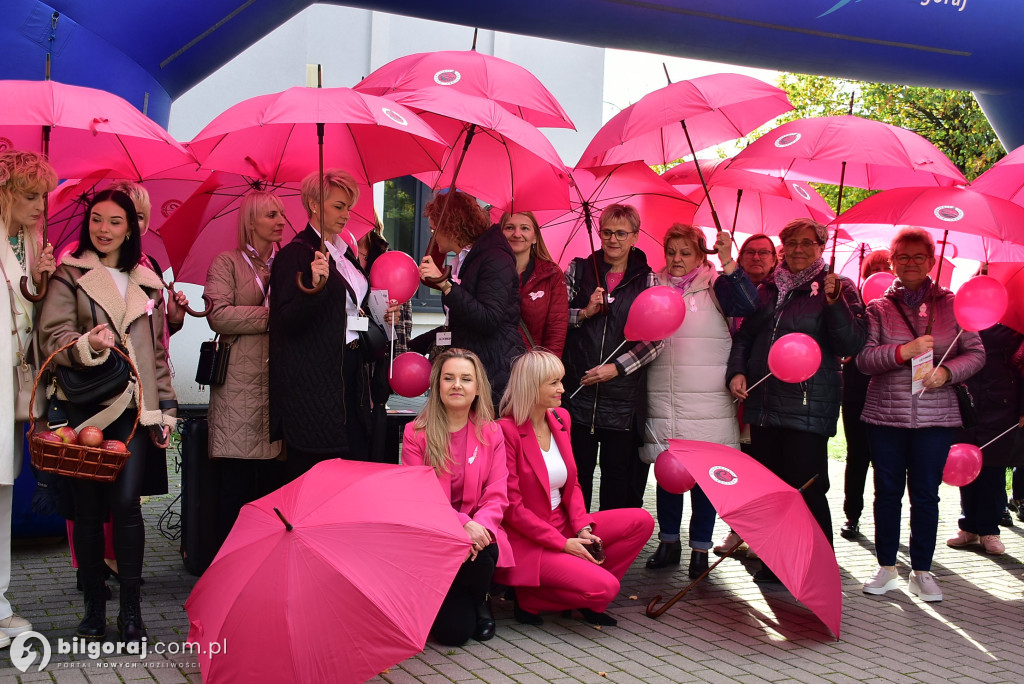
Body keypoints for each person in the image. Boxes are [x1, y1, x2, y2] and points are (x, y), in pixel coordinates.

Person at [38, 189, 178, 642]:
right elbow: (51, 335)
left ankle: (132, 612)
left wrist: (167, 410)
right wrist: (87, 344)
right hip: (85, 410)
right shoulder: (70, 274)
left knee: (126, 506)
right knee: (89, 510)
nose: (103, 229)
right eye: (97, 220)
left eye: (115, 222)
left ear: (131, 228)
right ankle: (94, 610)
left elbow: (155, 354)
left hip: (135, 412)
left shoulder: (146, 280)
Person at [727, 218, 866, 582]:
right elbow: (744, 338)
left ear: (821, 247)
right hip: (763, 403)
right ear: (783, 247)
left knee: (807, 489)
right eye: (792, 243)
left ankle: (818, 568)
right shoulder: (768, 289)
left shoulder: (839, 288)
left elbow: (851, 346)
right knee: (770, 491)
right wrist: (737, 372)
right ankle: (776, 562)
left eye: (808, 243)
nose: (800, 249)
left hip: (807, 407)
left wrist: (835, 304)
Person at [857, 228, 984, 602]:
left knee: (926, 495)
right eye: (903, 257)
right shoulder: (878, 308)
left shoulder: (953, 305)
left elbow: (975, 353)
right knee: (887, 494)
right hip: (885, 416)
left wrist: (946, 373)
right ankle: (886, 568)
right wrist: (903, 351)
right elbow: (864, 360)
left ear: (932, 261)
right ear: (892, 261)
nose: (911, 263)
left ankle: (923, 570)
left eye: (919, 257)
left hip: (936, 418)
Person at [496, 350, 653, 626]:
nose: (562, 389)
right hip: (530, 540)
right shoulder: (505, 431)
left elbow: (573, 484)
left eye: (561, 380)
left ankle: (578, 591)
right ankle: (533, 598)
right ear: (532, 387)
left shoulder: (560, 419)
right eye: (554, 383)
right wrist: (563, 544)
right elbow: (513, 509)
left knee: (641, 521)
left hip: (565, 524)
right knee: (606, 589)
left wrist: (582, 528)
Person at [642, 225, 757, 578]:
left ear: (700, 255)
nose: (677, 259)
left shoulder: (717, 284)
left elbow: (749, 304)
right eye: (671, 251)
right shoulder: (653, 284)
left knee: (706, 480)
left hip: (709, 401)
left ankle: (700, 548)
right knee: (668, 473)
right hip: (664, 396)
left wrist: (727, 261)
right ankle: (668, 541)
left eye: (686, 252)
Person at [269, 169, 397, 480]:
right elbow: (285, 321)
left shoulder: (344, 253)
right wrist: (313, 287)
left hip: (351, 374)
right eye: (339, 206)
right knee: (317, 472)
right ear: (314, 205)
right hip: (315, 382)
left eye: (348, 207)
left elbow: (353, 304)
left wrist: (380, 313)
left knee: (351, 466)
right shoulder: (296, 255)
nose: (346, 215)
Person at [401, 348, 512, 646]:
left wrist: (480, 527)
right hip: (434, 537)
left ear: (477, 388)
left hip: (477, 542)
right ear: (438, 385)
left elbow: (497, 492)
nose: (457, 385)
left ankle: (480, 600)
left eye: (466, 378)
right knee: (454, 634)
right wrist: (462, 526)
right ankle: (441, 592)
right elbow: (420, 497)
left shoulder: (491, 433)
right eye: (449, 378)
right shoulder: (416, 434)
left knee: (486, 548)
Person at [563, 203, 661, 512]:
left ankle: (610, 550)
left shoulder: (647, 280)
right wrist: (585, 312)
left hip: (622, 401)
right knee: (575, 478)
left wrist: (616, 369)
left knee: (617, 481)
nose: (613, 240)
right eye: (607, 232)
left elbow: (655, 341)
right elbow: (553, 318)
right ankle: (578, 542)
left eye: (621, 233)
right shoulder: (578, 271)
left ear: (634, 237)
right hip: (578, 393)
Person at [205, 190, 286, 547]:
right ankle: (223, 562)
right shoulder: (226, 262)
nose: (280, 221)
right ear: (250, 221)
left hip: (277, 383)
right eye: (270, 215)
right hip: (238, 386)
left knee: (272, 485)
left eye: (281, 214)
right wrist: (273, 317)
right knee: (235, 485)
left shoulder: (289, 263)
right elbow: (219, 316)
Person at [0, 150, 57, 643]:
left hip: (11, 382)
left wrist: (44, 280)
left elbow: (32, 318)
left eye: (42, 195)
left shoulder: (32, 241)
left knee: (1, 489)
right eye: (29, 194)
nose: (40, 204)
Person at [413, 191, 524, 404]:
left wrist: (446, 285)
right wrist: (413, 345)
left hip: (491, 371)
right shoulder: (466, 259)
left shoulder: (495, 258)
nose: (433, 235)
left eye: (435, 228)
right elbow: (458, 324)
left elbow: (489, 318)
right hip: (472, 367)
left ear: (451, 226)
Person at [714, 233, 777, 559]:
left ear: (774, 258)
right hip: (724, 385)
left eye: (763, 252)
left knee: (760, 465)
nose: (756, 257)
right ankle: (736, 530)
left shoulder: (779, 292)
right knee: (733, 466)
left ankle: (760, 534)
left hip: (762, 390)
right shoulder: (725, 286)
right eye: (750, 252)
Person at [944, 323, 1024, 555]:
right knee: (965, 465)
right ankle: (968, 526)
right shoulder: (963, 319)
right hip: (965, 398)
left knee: (992, 469)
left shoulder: (1015, 322)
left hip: (1002, 404)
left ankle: (990, 530)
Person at [839, 249, 891, 540]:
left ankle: (886, 520)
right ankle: (852, 515)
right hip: (857, 390)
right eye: (875, 268)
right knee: (857, 456)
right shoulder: (853, 303)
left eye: (886, 267)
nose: (882, 272)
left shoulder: (901, 309)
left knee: (887, 460)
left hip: (889, 393)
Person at [500, 211, 568, 357]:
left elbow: (556, 331)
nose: (517, 234)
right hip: (494, 367)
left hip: (533, 369)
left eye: (524, 228)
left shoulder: (552, 275)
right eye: (510, 228)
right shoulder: (488, 272)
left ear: (535, 237)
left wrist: (548, 371)